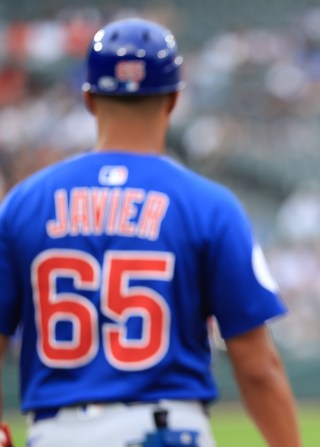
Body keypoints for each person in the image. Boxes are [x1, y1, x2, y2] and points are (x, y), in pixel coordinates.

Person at [0, 18, 301, 447]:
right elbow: (256, 367)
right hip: (165, 429)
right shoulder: (208, 204)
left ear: (88, 98)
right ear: (174, 99)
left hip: (56, 432)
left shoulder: (23, 202)